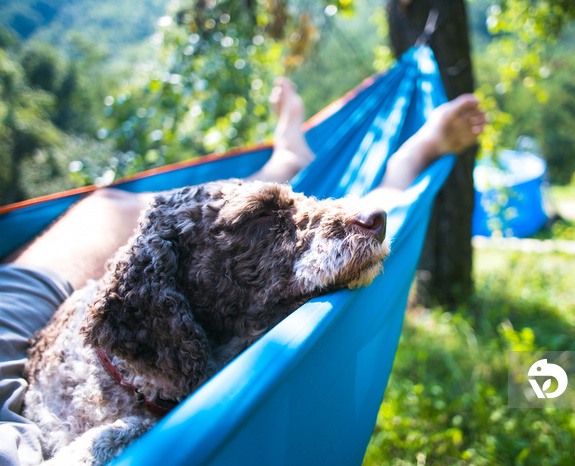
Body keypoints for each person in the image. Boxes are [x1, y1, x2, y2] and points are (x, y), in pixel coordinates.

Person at [0, 78, 486, 465]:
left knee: (110, 203)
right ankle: (291, 165)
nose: (366, 219)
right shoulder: (147, 321)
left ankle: (284, 164)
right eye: (262, 222)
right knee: (117, 208)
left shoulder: (165, 325)